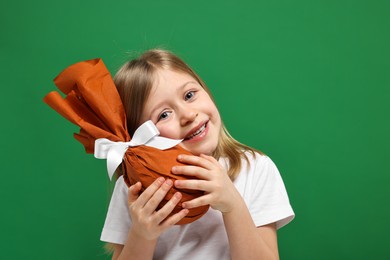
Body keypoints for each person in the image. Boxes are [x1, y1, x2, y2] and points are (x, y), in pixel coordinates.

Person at [100, 49, 295, 259]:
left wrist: (233, 205)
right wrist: (142, 233)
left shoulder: (254, 168)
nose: (188, 115)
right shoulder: (134, 190)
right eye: (164, 115)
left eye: (189, 95)